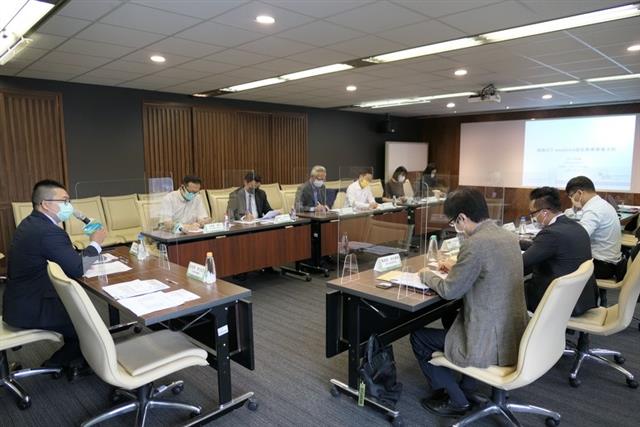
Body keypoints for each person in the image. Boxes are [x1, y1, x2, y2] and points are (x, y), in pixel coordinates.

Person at [411, 188, 527, 417]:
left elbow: (450, 291)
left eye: (454, 221)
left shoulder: (475, 244)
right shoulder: (508, 236)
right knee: (451, 318)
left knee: (418, 337)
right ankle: (468, 384)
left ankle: (456, 400)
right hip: (512, 333)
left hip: (486, 339)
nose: (456, 226)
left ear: (462, 218)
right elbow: (490, 272)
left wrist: (426, 274)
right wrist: (457, 268)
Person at [2, 180, 107, 370]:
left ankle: (76, 356)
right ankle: (57, 363)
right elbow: (77, 268)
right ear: (45, 204)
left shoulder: (31, 223)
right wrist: (96, 242)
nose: (69, 206)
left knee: (81, 312)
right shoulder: (47, 231)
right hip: (31, 308)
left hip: (18, 301)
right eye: (64, 201)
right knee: (87, 323)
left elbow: (62, 257)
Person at [521, 187, 598, 316]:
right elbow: (544, 247)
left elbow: (522, 263)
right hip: (582, 298)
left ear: (544, 212)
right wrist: (518, 242)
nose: (533, 217)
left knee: (513, 289)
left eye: (533, 213)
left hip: (559, 301)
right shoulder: (575, 226)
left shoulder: (551, 233)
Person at [565, 176, 624, 282]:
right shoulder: (600, 204)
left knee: (557, 264)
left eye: (571, 196)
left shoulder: (594, 209)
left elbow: (579, 237)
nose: (571, 200)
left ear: (579, 193)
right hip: (610, 262)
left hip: (602, 266)